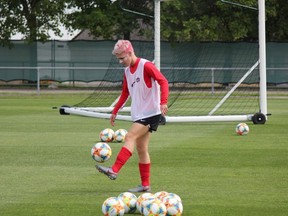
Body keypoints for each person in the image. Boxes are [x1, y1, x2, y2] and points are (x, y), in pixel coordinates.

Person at [96, 40, 169, 193]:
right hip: (140, 114)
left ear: (130, 53)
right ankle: (145, 185)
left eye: (122, 58)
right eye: (118, 59)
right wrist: (115, 110)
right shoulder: (127, 71)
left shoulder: (146, 65)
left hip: (151, 114)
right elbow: (125, 93)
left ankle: (114, 170)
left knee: (129, 137)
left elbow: (163, 81)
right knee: (141, 148)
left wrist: (163, 102)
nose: (120, 61)